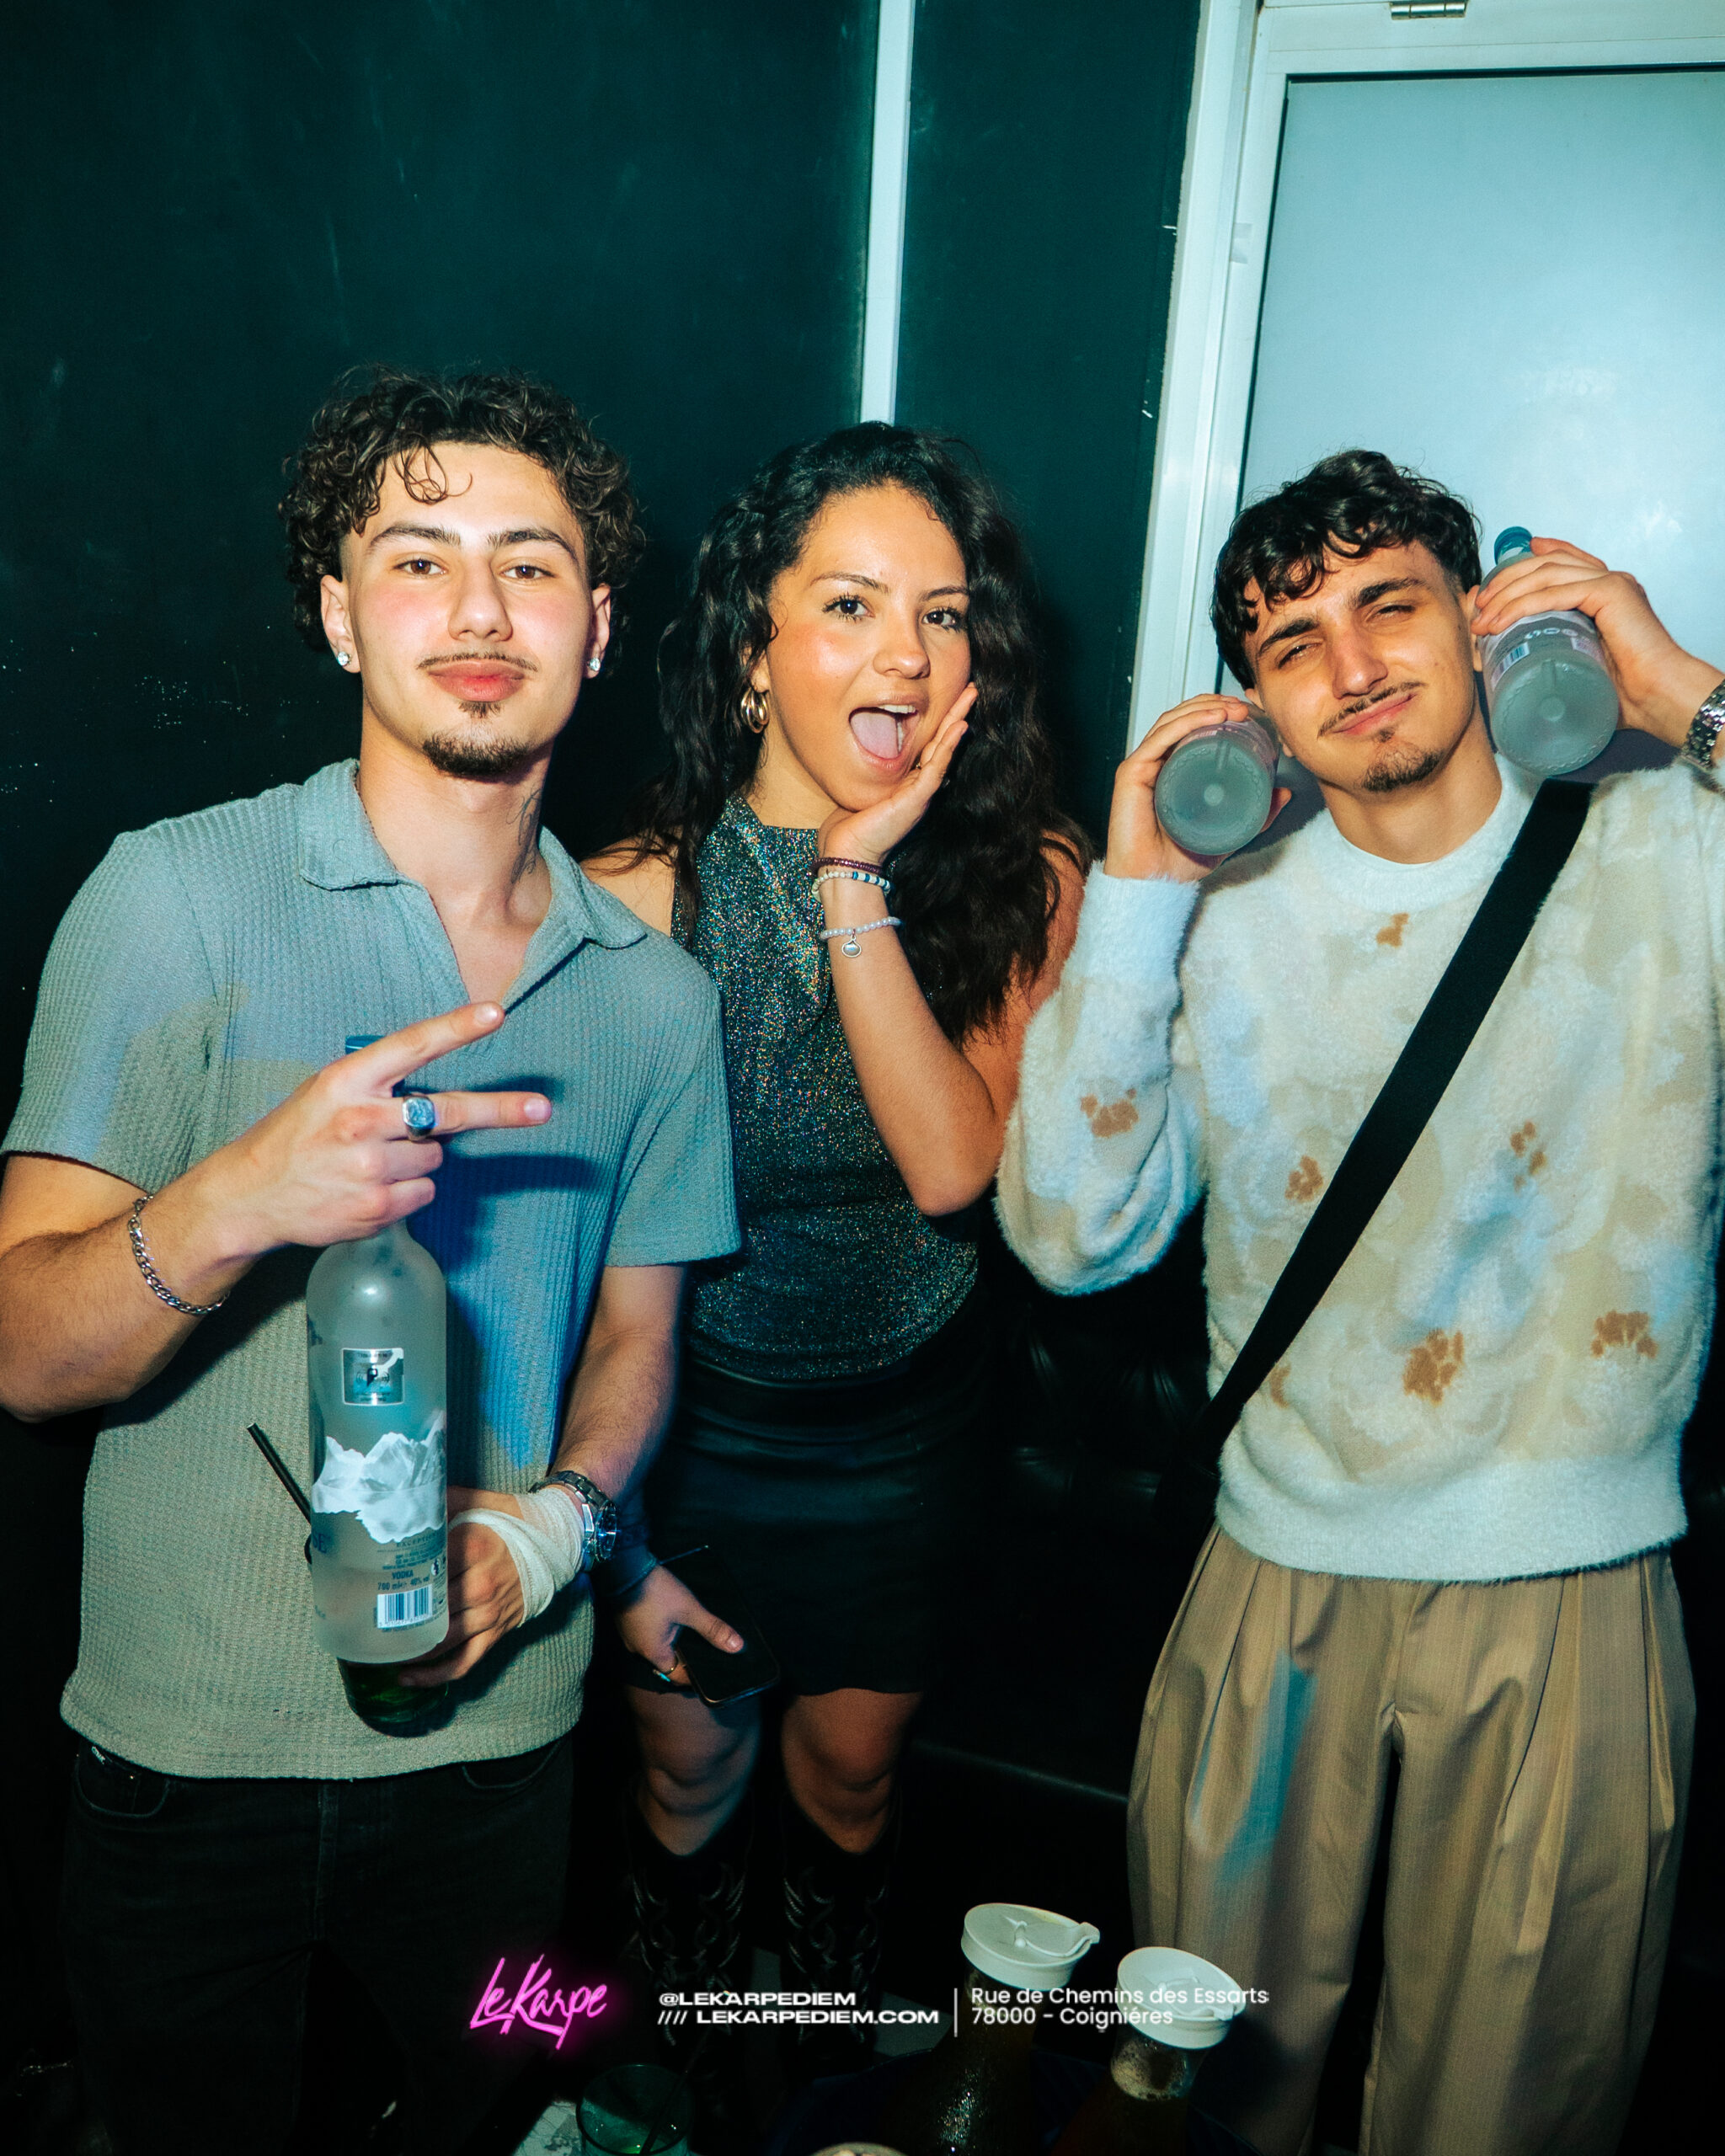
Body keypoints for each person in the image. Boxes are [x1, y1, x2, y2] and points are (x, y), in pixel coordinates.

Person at [0, 366, 744, 2154]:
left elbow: (638, 1337)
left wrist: (554, 1530)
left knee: (492, 2107)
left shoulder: (655, 995)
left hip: (504, 1756)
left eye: (530, 565)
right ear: (341, 616)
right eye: (419, 561)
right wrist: (244, 1194)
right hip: (183, 1756)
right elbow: (24, 1354)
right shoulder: (171, 898)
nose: (479, 611)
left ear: (598, 626)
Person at [996, 449, 1725, 2156]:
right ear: (1254, 704)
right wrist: (1139, 897)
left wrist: (1682, 690)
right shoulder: (1223, 921)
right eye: (1289, 642)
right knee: (1193, 2095)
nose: (1351, 663)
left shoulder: (1669, 846)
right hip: (1278, 1574)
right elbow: (1072, 1234)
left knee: (1508, 2110)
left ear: (1480, 620)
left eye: (1387, 604)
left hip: (1566, 1583)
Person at [585, 423, 1088, 2086]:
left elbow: (952, 1167)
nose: (906, 655)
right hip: (696, 1427)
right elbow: (562, 1274)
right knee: (689, 1782)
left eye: (942, 614)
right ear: (753, 652)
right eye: (853, 605)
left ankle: (816, 2090)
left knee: (852, 1790)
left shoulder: (1024, 878)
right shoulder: (628, 903)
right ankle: (684, 2088)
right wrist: (611, 1537)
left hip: (907, 1428)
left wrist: (852, 879)